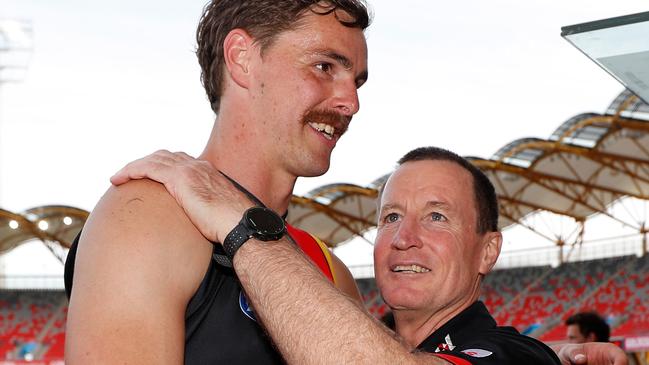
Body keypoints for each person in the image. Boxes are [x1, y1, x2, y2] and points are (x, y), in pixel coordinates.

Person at [110, 147, 628, 365]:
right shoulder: (354, 327)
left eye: (438, 217)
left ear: (487, 251)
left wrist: (239, 223)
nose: (405, 238)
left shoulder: (519, 356)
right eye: (390, 217)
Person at [64, 0, 370, 363]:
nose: (351, 102)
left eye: (357, 82)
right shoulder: (147, 214)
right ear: (242, 58)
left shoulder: (329, 270)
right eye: (324, 67)